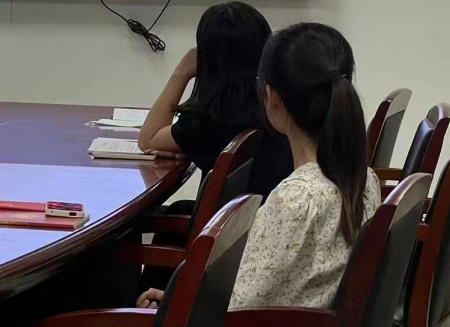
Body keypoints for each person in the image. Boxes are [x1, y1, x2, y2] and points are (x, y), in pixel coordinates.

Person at [139, 22, 381, 310]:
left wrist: (174, 305)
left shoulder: (295, 200)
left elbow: (237, 308)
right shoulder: (364, 179)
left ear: (271, 98)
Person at [138, 2, 293, 198]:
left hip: (226, 217)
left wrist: (181, 72)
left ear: (207, 57)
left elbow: (148, 140)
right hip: (261, 211)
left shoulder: (211, 116)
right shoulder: (278, 103)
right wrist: (188, 146)